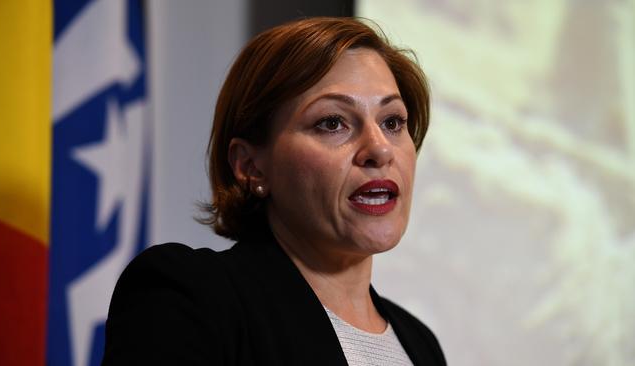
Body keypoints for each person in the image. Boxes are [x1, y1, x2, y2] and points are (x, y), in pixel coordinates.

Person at [102, 17, 446, 365]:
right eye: (332, 122)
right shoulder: (191, 297)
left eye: (392, 122)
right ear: (251, 167)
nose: (380, 149)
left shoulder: (421, 344)